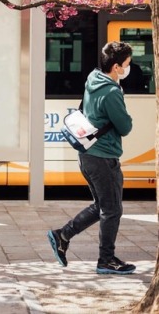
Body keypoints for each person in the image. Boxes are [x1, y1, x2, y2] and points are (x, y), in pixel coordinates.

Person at [48, 41, 135, 275]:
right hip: (103, 157)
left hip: (87, 155)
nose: (129, 67)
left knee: (102, 206)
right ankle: (106, 260)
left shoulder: (93, 78)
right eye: (127, 64)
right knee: (112, 210)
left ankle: (62, 235)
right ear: (117, 67)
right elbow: (125, 126)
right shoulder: (111, 92)